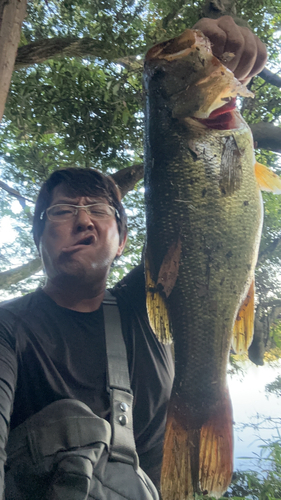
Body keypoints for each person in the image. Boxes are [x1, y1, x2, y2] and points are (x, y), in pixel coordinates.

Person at [0, 16, 267, 499]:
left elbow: (197, 230)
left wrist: (227, 71)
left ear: (123, 243)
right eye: (62, 210)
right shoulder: (8, 328)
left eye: (99, 210)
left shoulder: (148, 305)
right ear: (38, 237)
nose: (84, 220)